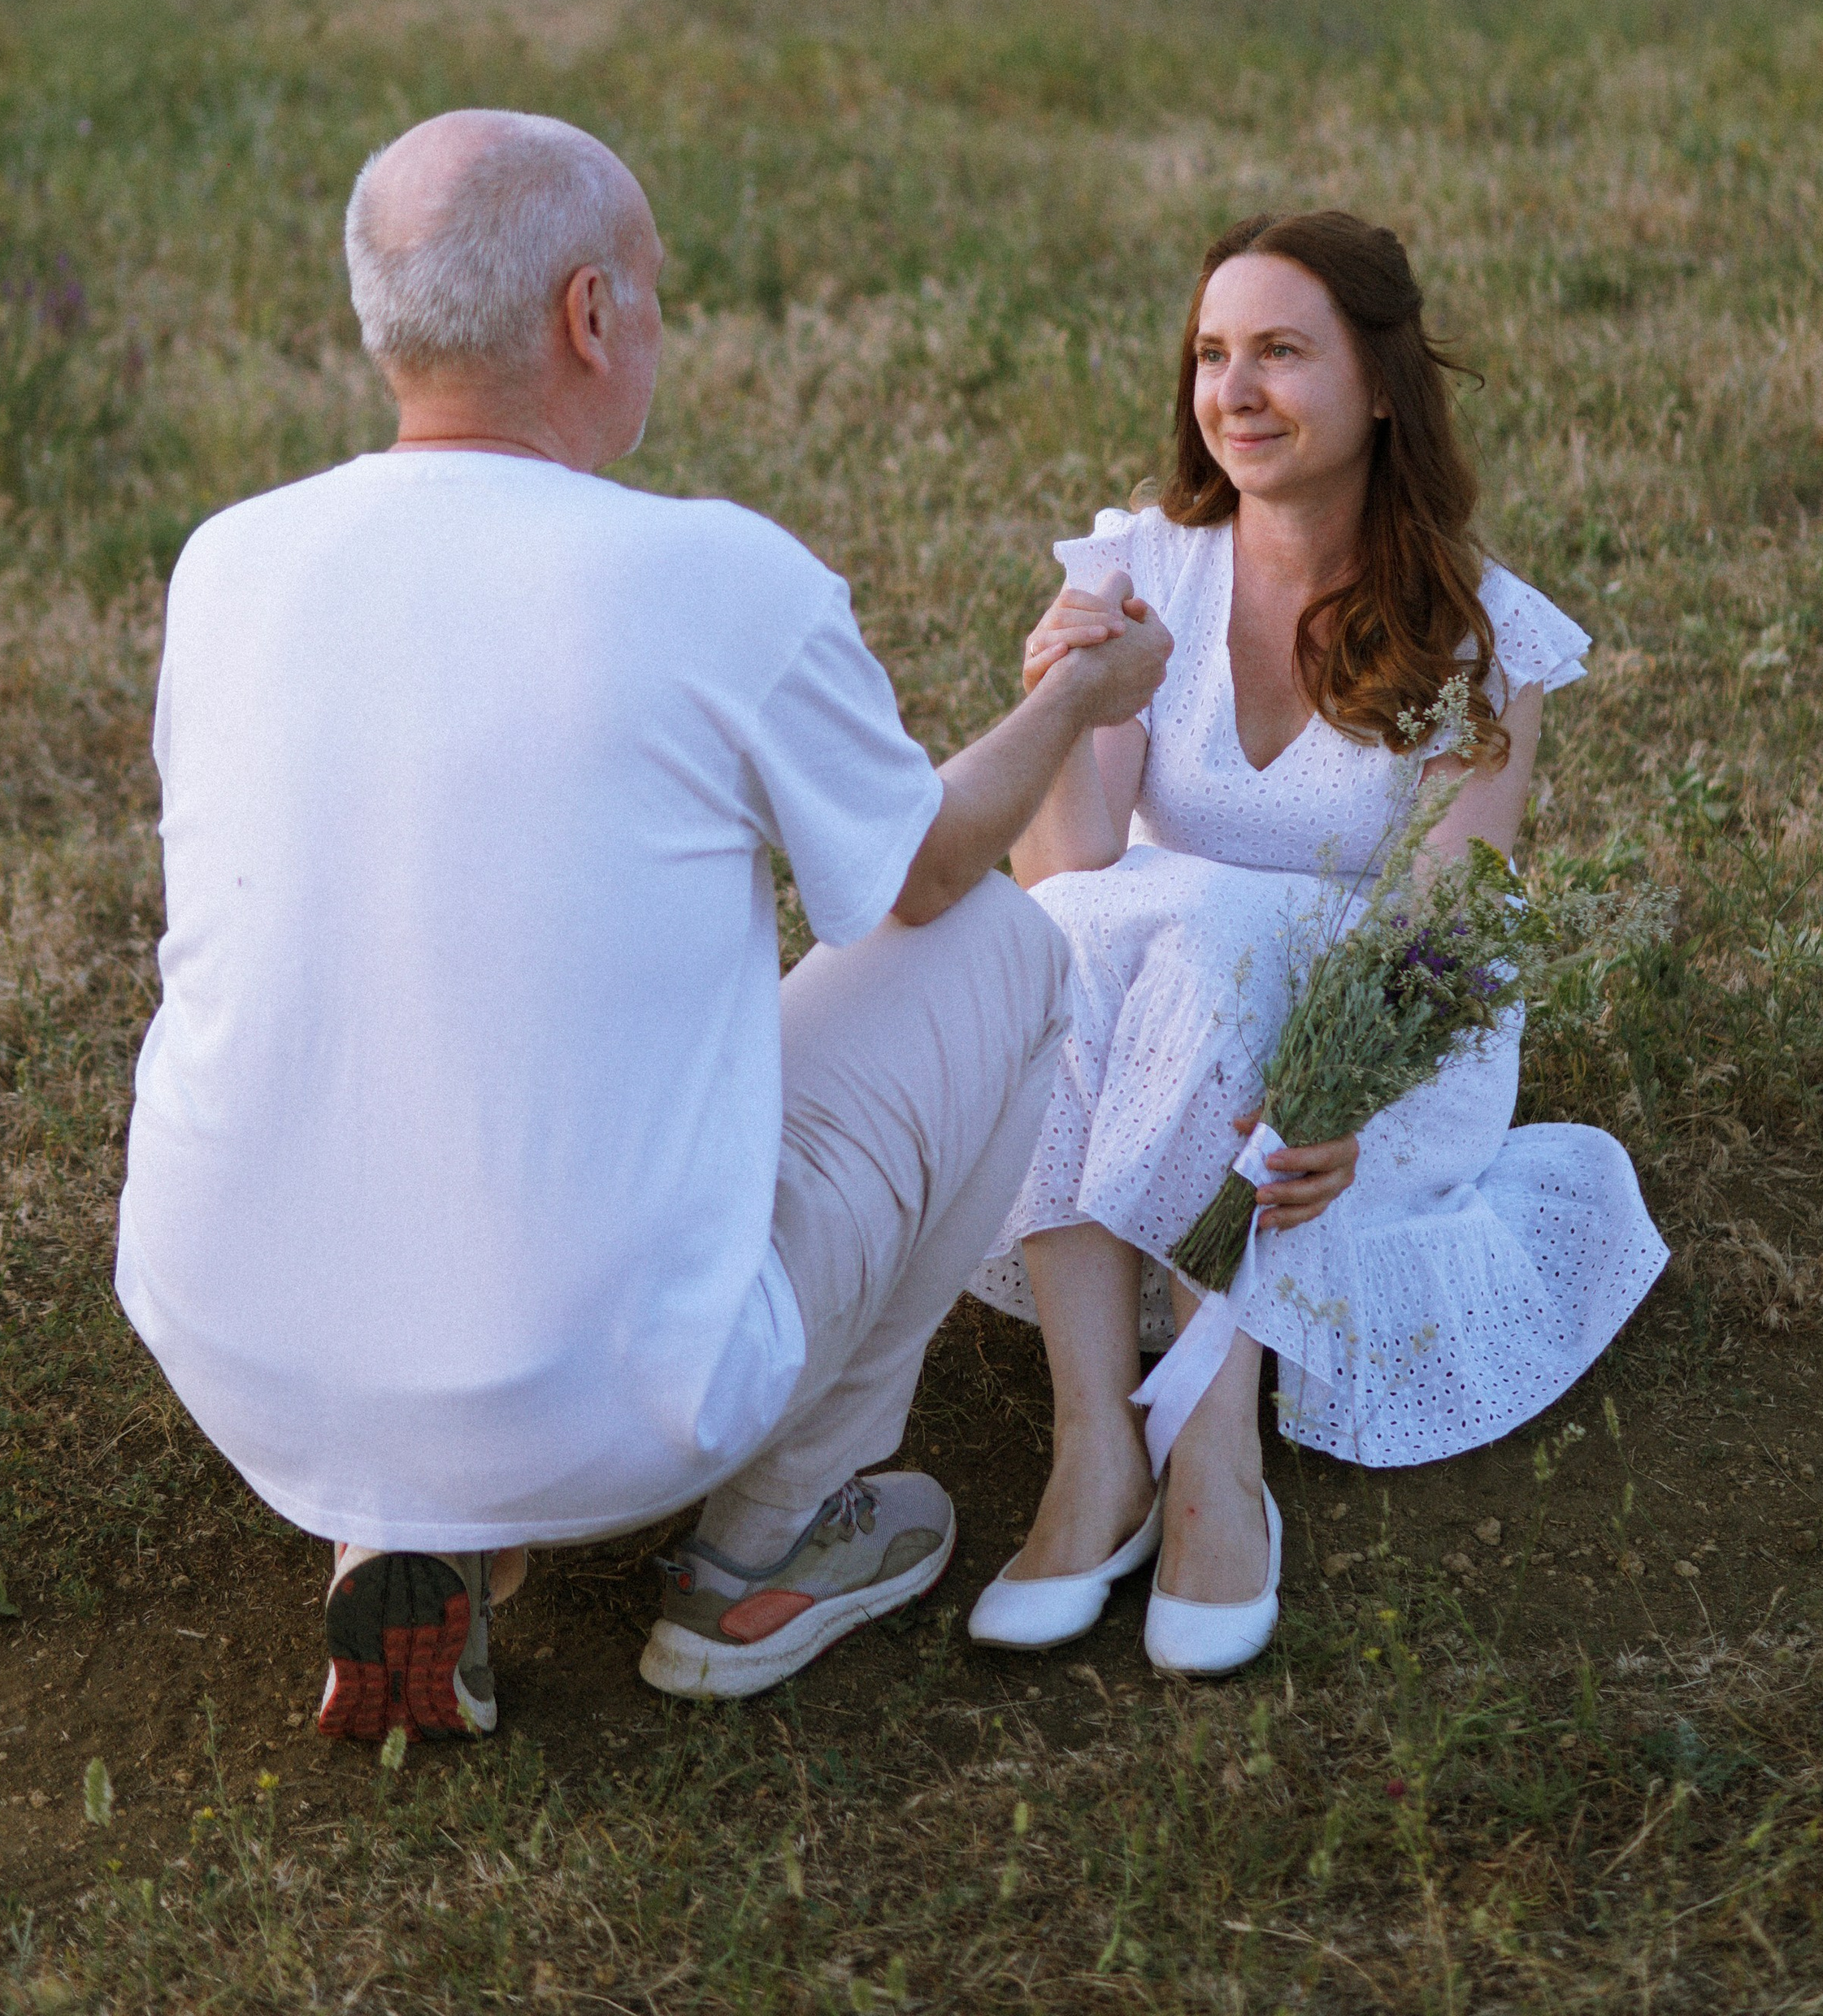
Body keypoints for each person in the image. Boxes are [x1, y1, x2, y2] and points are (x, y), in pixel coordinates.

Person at [115, 109, 1170, 1737]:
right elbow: (934, 869)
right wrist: (1080, 697)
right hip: (603, 1396)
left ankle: (403, 1531)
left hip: (239, 1348)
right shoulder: (707, 576)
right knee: (1008, 955)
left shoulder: (227, 563)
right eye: (657, 296)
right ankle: (777, 1540)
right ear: (586, 316)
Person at [965, 210, 1667, 1678]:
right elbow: (1075, 877)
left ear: (1383, 385)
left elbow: (1447, 918)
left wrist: (1349, 1094)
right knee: (1074, 931)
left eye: (1282, 351)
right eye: (1213, 355)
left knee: (1212, 915)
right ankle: (1094, 1442)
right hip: (1153, 987)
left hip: (1375, 1047)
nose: (1234, 390)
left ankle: (1216, 1443)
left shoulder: (1473, 628)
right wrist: (1069, 711)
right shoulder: (1143, 565)